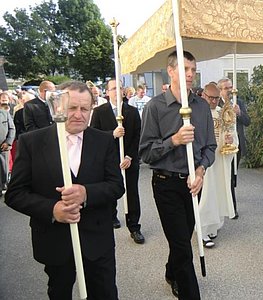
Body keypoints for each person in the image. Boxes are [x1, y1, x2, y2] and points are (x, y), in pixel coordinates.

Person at [5, 80, 125, 299]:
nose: (78, 114)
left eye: (84, 109)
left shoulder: (103, 141)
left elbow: (116, 186)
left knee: (105, 293)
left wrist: (86, 193)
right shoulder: (31, 142)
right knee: (59, 292)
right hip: (54, 241)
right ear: (59, 106)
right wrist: (52, 209)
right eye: (72, 108)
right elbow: (15, 194)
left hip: (97, 240)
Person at [139, 50, 216, 299]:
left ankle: (171, 272)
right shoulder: (155, 108)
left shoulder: (202, 106)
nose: (190, 74)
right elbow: (146, 154)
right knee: (183, 247)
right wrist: (173, 140)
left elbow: (210, 148)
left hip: (194, 184)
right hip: (166, 184)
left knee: (181, 239)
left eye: (193, 69)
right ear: (170, 71)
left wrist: (201, 170)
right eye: (184, 69)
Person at [91, 79, 145, 244]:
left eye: (119, 88)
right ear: (107, 92)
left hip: (128, 159)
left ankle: (134, 226)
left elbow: (138, 136)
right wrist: (112, 134)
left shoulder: (132, 111)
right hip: (108, 161)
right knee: (110, 192)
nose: (116, 91)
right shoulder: (100, 111)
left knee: (132, 193)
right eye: (113, 88)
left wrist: (129, 156)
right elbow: (93, 135)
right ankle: (112, 216)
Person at [199, 83, 236, 248]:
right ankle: (202, 229)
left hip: (219, 159)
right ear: (203, 96)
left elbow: (231, 131)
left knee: (218, 192)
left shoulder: (223, 113)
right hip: (204, 161)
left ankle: (214, 225)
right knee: (206, 195)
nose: (214, 101)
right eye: (210, 97)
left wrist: (230, 140)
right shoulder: (197, 113)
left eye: (216, 98)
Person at [217, 78, 251, 219]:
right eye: (226, 88)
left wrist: (239, 113)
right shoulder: (215, 103)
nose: (230, 90)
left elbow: (247, 122)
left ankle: (231, 207)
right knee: (223, 176)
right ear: (220, 90)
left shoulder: (239, 103)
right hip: (220, 146)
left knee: (231, 177)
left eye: (231, 87)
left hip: (236, 146)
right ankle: (225, 205)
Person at [0, 94, 15, 191]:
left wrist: (8, 142)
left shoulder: (5, 113)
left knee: (3, 170)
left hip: (3, 147)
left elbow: (12, 128)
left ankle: (3, 185)